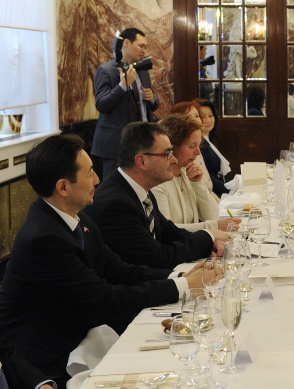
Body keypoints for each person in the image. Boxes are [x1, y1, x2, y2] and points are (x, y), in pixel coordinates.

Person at [0, 135, 209, 388]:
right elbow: (105, 299)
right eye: (89, 174)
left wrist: (181, 279)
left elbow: (119, 269)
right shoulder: (43, 240)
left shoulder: (78, 218)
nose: (98, 180)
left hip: (83, 340)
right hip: (46, 361)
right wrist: (184, 287)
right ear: (63, 187)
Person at [84, 122, 225, 269]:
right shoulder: (116, 204)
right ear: (142, 161)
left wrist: (210, 241)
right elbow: (158, 258)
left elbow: (168, 231)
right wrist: (207, 236)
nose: (174, 160)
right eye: (168, 154)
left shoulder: (140, 190)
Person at [151, 114, 240, 234]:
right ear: (172, 147)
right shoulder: (158, 181)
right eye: (192, 146)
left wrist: (198, 184)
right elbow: (166, 230)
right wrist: (213, 227)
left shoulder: (186, 172)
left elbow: (213, 215)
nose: (198, 152)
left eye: (199, 145)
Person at [92, 28, 158, 178]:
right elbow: (101, 104)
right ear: (126, 43)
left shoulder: (142, 70)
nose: (144, 51)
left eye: (146, 47)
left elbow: (152, 105)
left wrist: (152, 98)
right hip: (116, 144)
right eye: (141, 46)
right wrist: (122, 86)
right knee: (114, 188)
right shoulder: (106, 70)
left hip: (142, 141)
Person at [171, 100, 217, 200]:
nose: (195, 121)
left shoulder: (199, 145)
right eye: (188, 118)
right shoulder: (180, 165)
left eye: (197, 116)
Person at [196, 98, 231, 198]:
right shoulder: (199, 144)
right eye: (202, 117)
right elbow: (207, 176)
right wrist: (230, 188)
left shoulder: (207, 140)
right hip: (213, 193)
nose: (208, 120)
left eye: (210, 116)